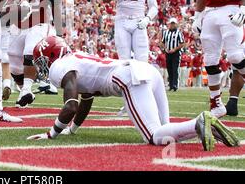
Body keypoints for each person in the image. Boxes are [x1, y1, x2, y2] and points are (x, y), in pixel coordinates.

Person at [26, 36, 240, 152]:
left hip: (129, 77)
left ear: (51, 56)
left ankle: (199, 122)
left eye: (42, 61)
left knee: (156, 137)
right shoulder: (77, 57)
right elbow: (85, 101)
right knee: (169, 136)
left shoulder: (59, 67)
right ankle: (209, 126)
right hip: (146, 70)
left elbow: (71, 105)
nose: (43, 67)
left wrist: (51, 134)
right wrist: (71, 130)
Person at [0, 0, 62, 107]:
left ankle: (27, 89)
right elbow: (0, 0)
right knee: (13, 60)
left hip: (39, 23)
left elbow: (56, 5)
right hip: (18, 24)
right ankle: (25, 92)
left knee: (29, 51)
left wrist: (60, 30)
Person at [160, 18, 186, 91]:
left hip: (176, 53)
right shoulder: (166, 32)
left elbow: (182, 43)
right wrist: (165, 48)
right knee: (169, 69)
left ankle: (175, 84)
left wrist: (174, 49)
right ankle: (171, 85)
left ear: (176, 24)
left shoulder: (179, 33)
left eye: (173, 23)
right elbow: (162, 42)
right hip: (168, 53)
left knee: (175, 69)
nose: (172, 25)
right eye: (171, 23)